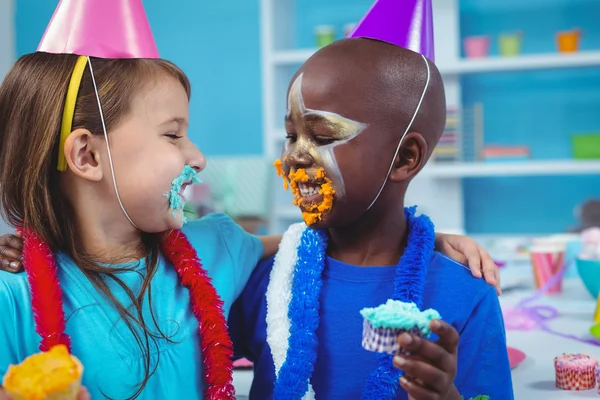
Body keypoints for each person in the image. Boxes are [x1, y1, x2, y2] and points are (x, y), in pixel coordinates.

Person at [227, 0, 514, 399]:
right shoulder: (267, 278)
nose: (293, 156)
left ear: (404, 157)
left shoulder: (466, 294)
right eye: (291, 135)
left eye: (323, 137)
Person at [0, 1, 280, 398]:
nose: (198, 158)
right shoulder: (12, 294)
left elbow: (313, 243)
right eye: (173, 134)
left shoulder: (216, 246)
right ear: (87, 155)